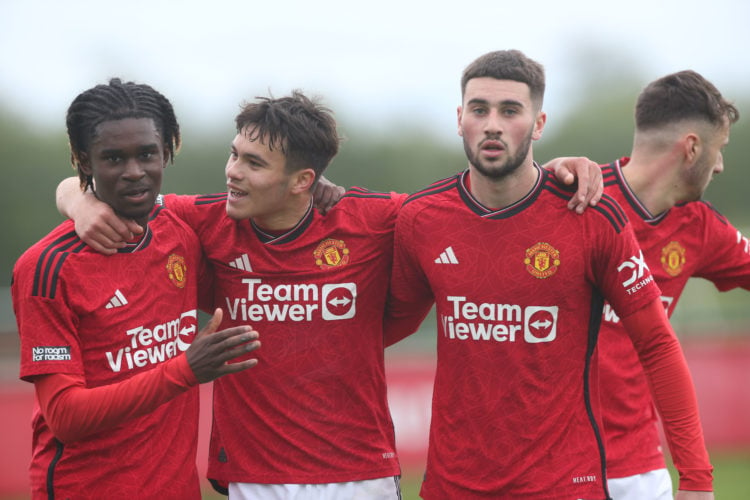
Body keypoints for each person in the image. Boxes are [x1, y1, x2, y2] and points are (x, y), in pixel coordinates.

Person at [56, 90, 601, 499]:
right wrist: (78, 202)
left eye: (253, 163)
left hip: (361, 473)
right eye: (234, 154)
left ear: (302, 180)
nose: (232, 174)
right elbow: (109, 187)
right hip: (254, 475)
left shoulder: (377, 218)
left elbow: (467, 207)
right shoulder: (203, 220)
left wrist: (558, 170)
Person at [385, 50, 715, 499]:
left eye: (510, 110)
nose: (493, 124)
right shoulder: (420, 218)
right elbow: (386, 324)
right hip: (452, 487)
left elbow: (657, 344)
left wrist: (696, 479)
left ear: (539, 125)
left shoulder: (590, 215)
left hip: (564, 486)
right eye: (479, 110)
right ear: (460, 119)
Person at [11, 79, 261, 500]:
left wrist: (318, 192)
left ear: (168, 151)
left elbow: (272, 202)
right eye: (113, 158)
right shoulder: (47, 268)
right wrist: (185, 370)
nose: (133, 171)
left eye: (146, 154)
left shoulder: (182, 232)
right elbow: (64, 416)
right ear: (82, 160)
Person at [583, 70, 745, 499]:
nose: (721, 164)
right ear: (692, 148)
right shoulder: (578, 198)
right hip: (558, 465)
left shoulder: (701, 227)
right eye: (720, 149)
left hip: (639, 472)